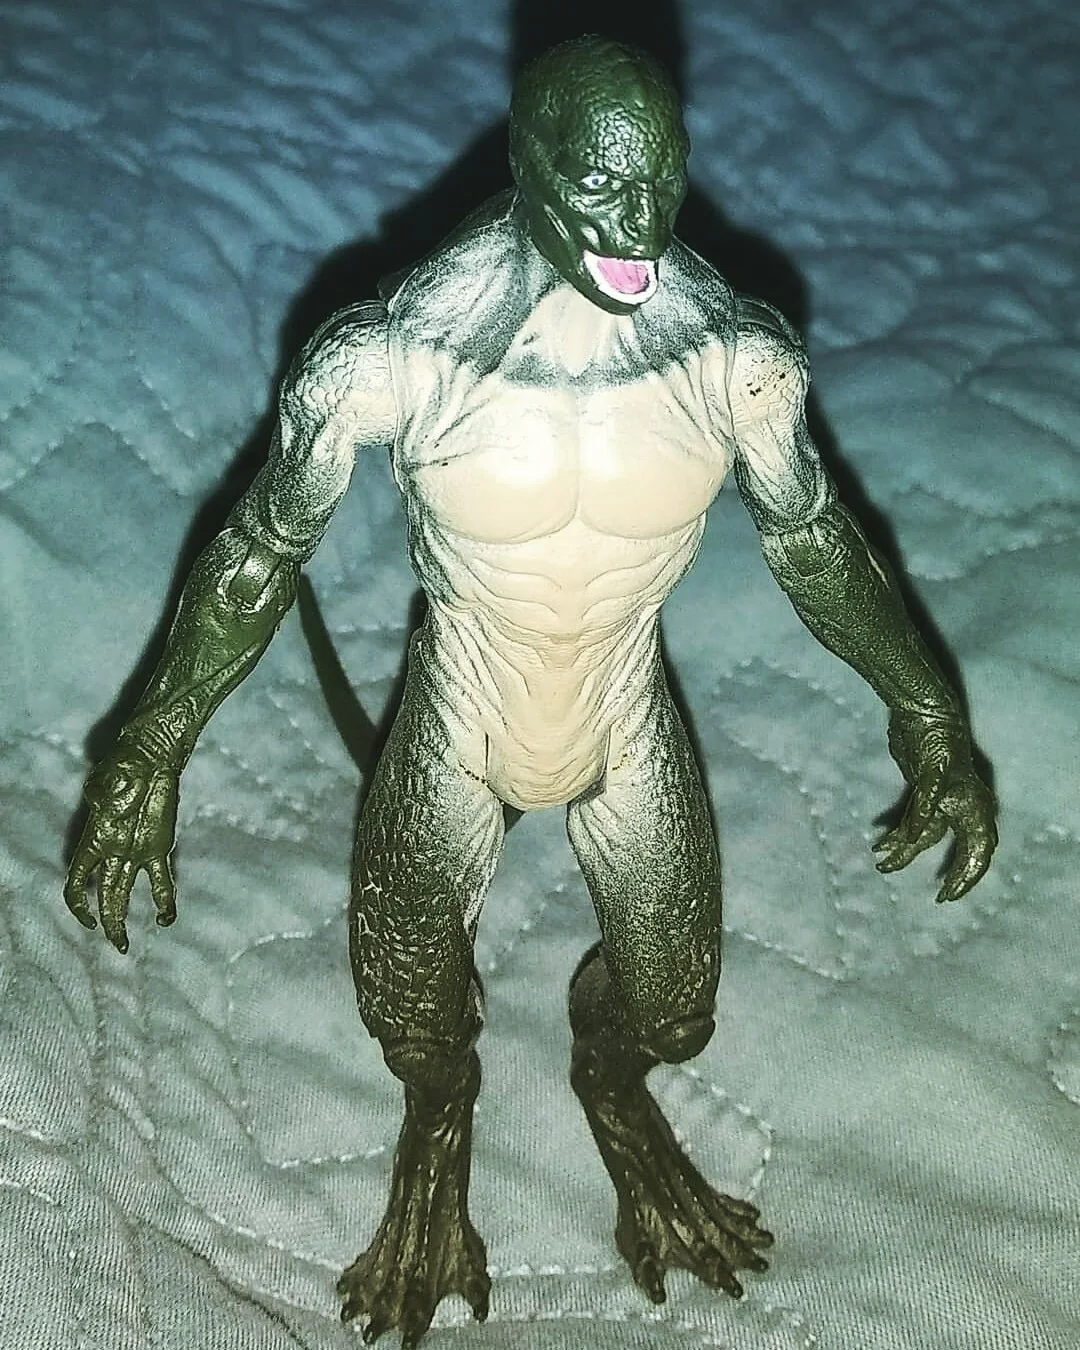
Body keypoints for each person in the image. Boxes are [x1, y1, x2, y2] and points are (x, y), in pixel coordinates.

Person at [65, 35, 997, 1347]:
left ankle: (612, 1091)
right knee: (412, 1013)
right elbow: (261, 549)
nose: (639, 226)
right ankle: (435, 1131)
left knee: (674, 1013)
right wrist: (150, 745)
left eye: (661, 182)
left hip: (623, 712)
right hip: (462, 716)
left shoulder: (735, 356)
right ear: (528, 165)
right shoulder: (396, 354)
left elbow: (815, 543)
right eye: (602, 189)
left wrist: (928, 709)